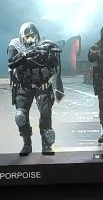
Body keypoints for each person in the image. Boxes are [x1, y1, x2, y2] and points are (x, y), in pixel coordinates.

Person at [8, 22, 63, 155]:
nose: (30, 39)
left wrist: (44, 53)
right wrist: (25, 54)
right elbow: (11, 61)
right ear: (22, 36)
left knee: (45, 115)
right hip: (24, 86)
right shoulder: (15, 45)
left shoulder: (45, 43)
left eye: (32, 35)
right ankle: (27, 144)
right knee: (20, 117)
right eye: (27, 36)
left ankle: (46, 145)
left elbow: (55, 59)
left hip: (42, 86)